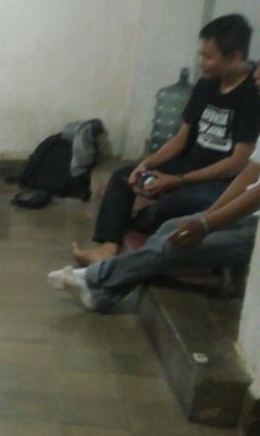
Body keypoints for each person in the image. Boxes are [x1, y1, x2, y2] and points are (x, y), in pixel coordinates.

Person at [73, 14, 260, 266]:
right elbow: (181, 137)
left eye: (208, 57)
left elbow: (238, 163)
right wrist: (147, 164)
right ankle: (108, 247)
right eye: (200, 55)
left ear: (234, 57)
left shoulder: (252, 95)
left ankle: (138, 233)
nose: (201, 62)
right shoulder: (206, 85)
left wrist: (177, 180)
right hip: (190, 166)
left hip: (221, 181)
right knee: (123, 177)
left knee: (174, 203)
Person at [50, 134, 260, 312]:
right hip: (247, 213)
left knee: (176, 245)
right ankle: (102, 295)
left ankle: (93, 276)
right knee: (170, 228)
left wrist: (206, 224)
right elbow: (252, 170)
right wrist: (207, 215)